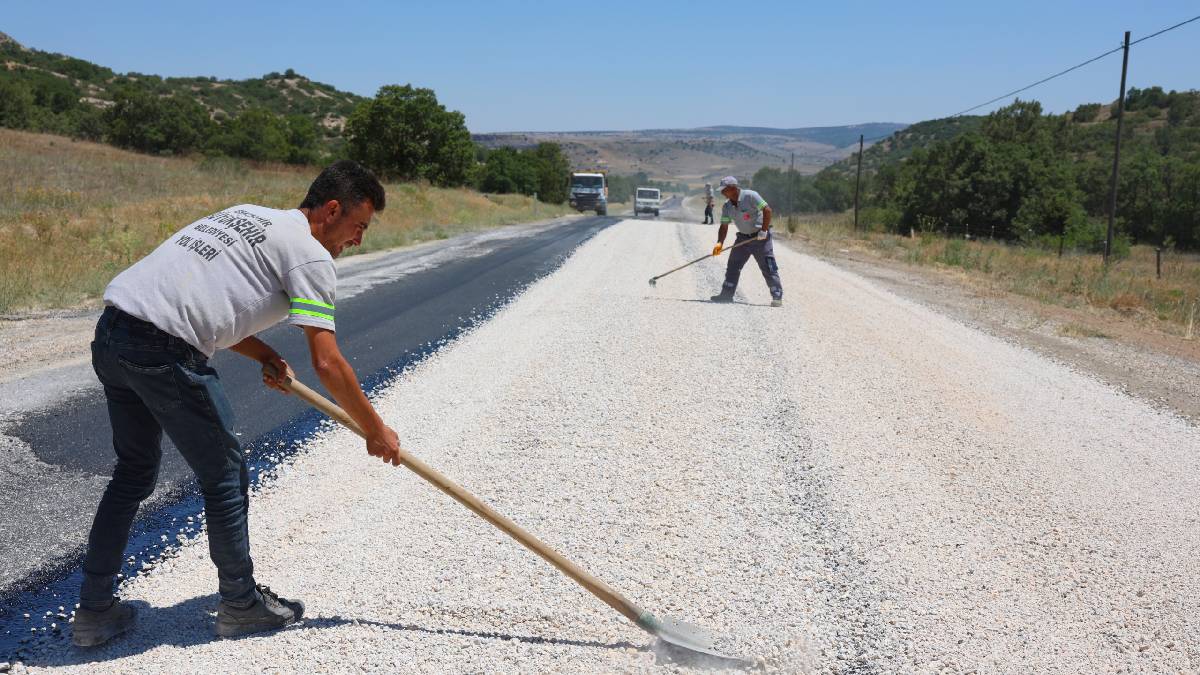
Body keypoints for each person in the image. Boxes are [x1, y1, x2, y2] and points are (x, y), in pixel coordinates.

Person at [72, 160, 404, 647]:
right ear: (333, 210)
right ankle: (241, 604)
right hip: (164, 351)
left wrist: (265, 354)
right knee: (224, 475)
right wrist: (375, 429)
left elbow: (208, 304)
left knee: (134, 473)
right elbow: (328, 362)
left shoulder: (248, 214)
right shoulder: (311, 256)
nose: (357, 240)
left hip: (113, 334)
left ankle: (94, 613)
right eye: (359, 226)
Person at [709, 176, 783, 307]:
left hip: (760, 238)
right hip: (742, 239)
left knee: (768, 266)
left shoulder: (751, 196)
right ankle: (726, 295)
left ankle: (777, 296)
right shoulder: (727, 206)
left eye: (724, 190)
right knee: (733, 266)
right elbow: (724, 226)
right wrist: (719, 243)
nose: (722, 193)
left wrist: (764, 230)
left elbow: (767, 210)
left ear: (733, 188)